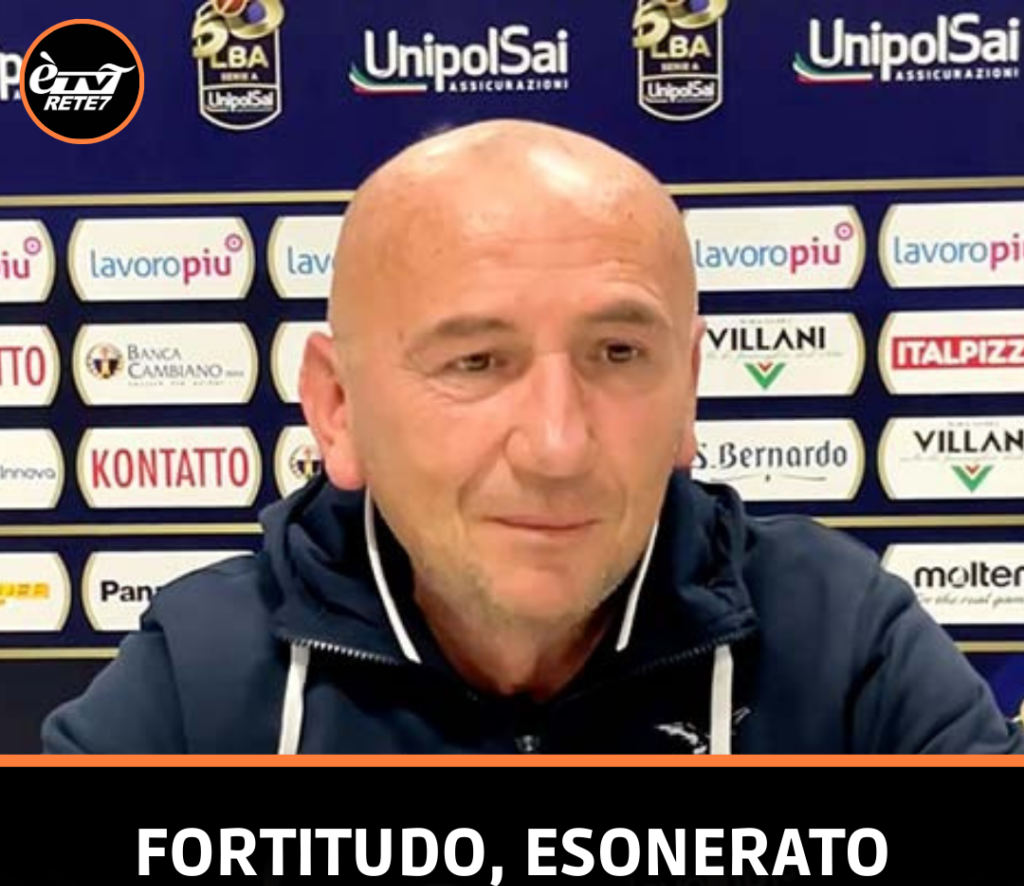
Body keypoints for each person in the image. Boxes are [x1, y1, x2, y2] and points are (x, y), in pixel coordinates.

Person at [40, 118, 1024, 755]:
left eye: (618, 353)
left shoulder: (838, 642)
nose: (557, 446)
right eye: (476, 362)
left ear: (688, 389)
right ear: (337, 409)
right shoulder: (204, 676)